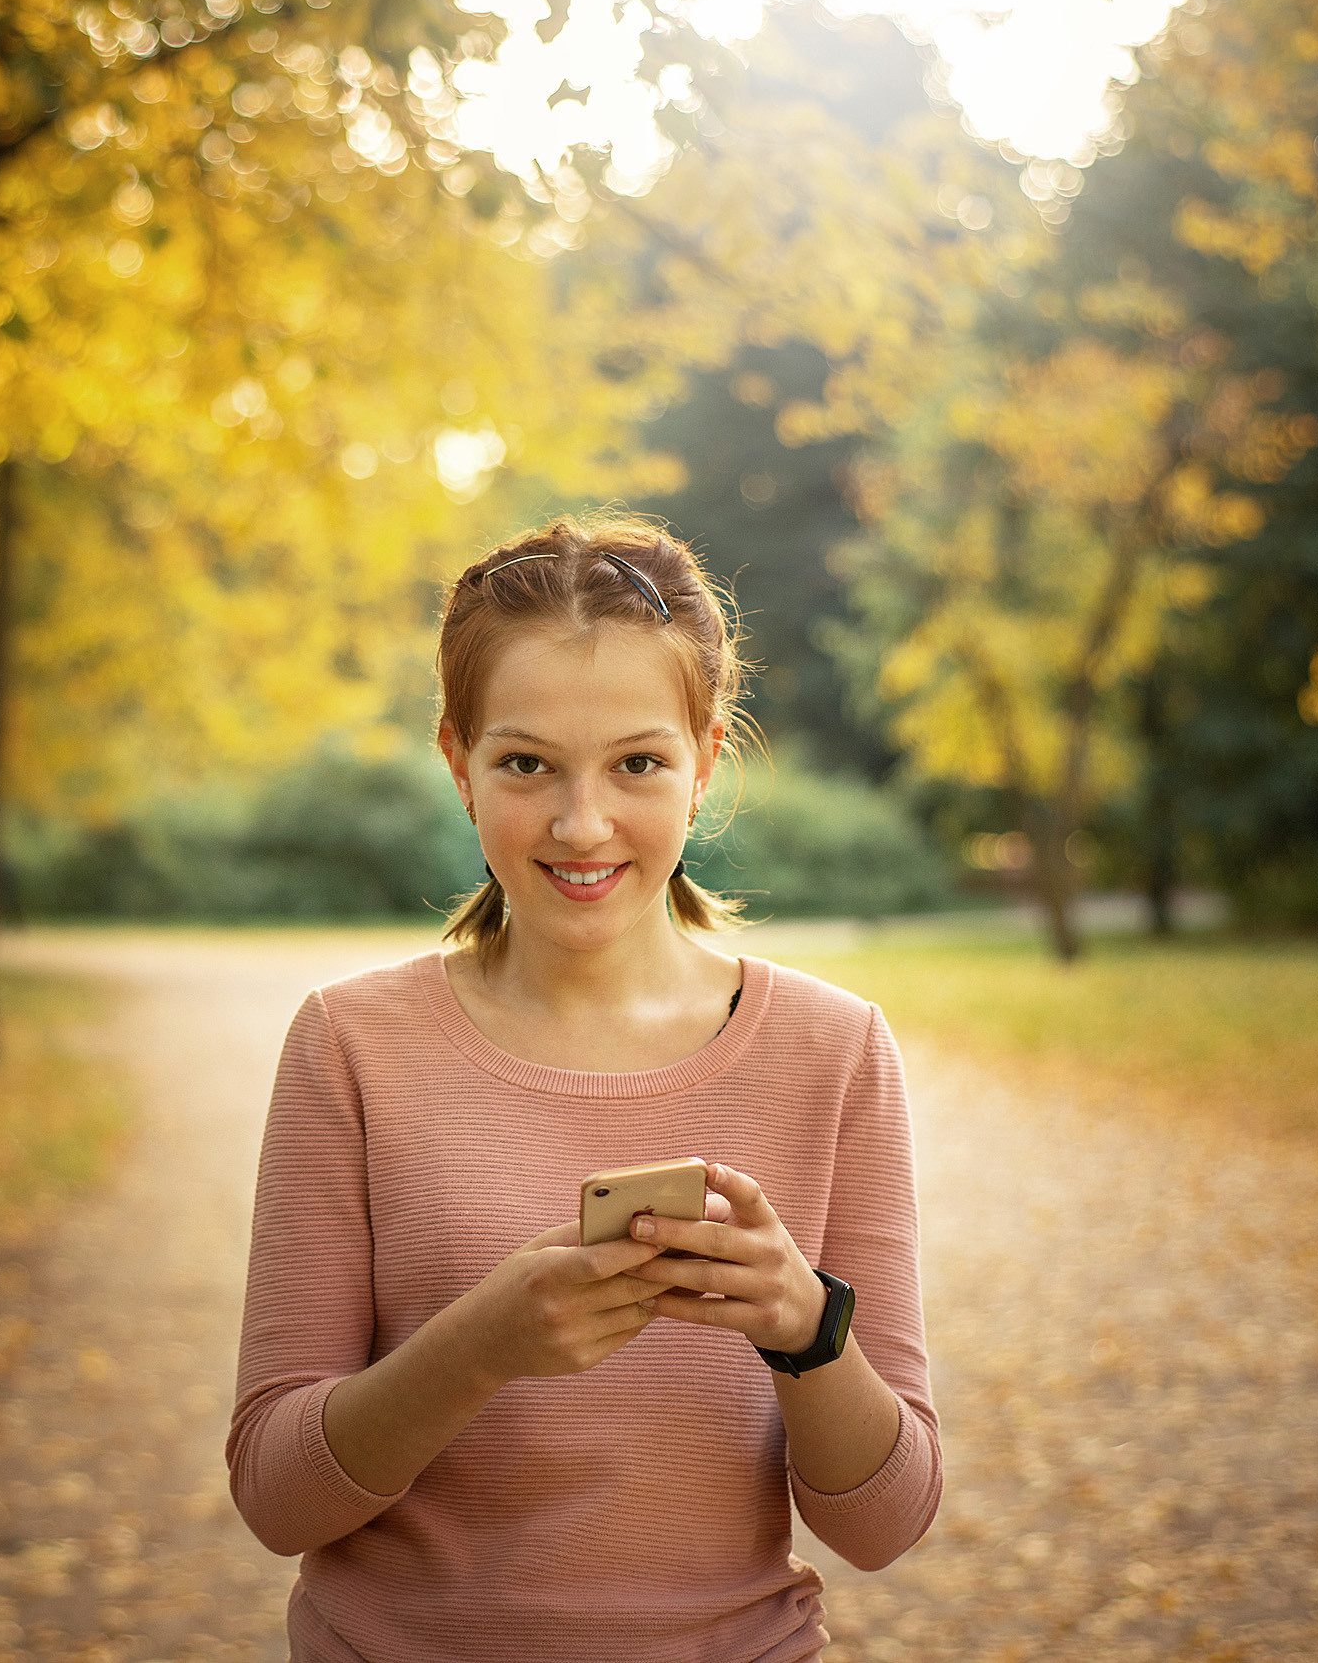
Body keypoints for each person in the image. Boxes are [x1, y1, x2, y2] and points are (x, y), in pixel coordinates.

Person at [226, 512, 942, 1661]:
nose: (581, 821)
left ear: (707, 759)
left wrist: (807, 1329)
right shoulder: (348, 1045)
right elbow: (276, 1497)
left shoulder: (835, 1050)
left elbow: (886, 1520)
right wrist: (480, 1346)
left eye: (638, 764)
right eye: (526, 764)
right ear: (457, 760)